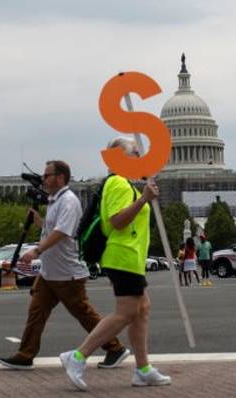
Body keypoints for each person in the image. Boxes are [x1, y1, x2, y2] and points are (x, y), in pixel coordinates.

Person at [60, 137, 171, 391]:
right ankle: (77, 356)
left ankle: (143, 369)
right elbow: (117, 221)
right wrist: (143, 200)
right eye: (134, 154)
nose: (138, 158)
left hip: (129, 257)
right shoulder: (119, 184)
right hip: (122, 255)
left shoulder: (120, 184)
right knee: (127, 312)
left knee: (142, 308)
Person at [0, 160, 130, 371]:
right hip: (51, 272)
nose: (44, 179)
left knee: (84, 314)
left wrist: (36, 250)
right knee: (36, 312)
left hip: (67, 273)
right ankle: (25, 355)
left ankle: (115, 348)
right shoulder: (55, 201)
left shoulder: (68, 201)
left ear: (60, 178)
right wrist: (40, 221)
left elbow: (62, 233)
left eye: (47, 175)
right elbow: (54, 229)